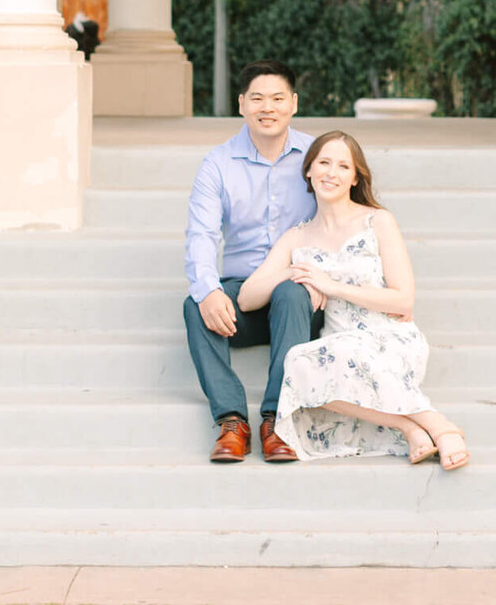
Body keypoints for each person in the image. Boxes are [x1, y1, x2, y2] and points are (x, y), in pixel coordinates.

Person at [237, 130, 471, 470]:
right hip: (338, 341)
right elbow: (246, 299)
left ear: (355, 177)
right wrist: (292, 272)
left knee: (347, 355)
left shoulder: (377, 220)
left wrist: (330, 285)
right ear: (309, 170)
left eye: (343, 166)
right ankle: (408, 427)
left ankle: (439, 426)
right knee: (299, 362)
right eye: (324, 163)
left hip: (388, 335)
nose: (331, 173)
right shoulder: (297, 236)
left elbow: (403, 300)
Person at [182, 59, 321, 464]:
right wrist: (208, 289)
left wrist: (325, 277)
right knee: (195, 303)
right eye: (257, 98)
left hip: (298, 299)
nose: (268, 107)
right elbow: (202, 236)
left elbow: (342, 220)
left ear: (293, 103)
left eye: (278, 98)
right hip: (242, 297)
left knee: (292, 293)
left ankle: (276, 421)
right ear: (241, 104)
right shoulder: (218, 165)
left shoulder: (317, 157)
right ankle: (231, 421)